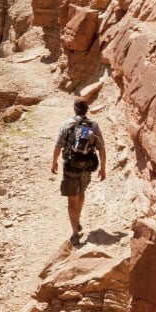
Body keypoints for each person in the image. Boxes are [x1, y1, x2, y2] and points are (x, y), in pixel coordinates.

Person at [51, 97, 106, 244]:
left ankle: (75, 232)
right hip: (87, 167)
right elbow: (101, 148)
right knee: (81, 192)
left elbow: (58, 145)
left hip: (70, 166)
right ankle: (77, 220)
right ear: (87, 109)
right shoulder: (93, 125)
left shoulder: (67, 124)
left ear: (75, 109)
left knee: (72, 199)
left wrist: (54, 162)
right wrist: (103, 168)